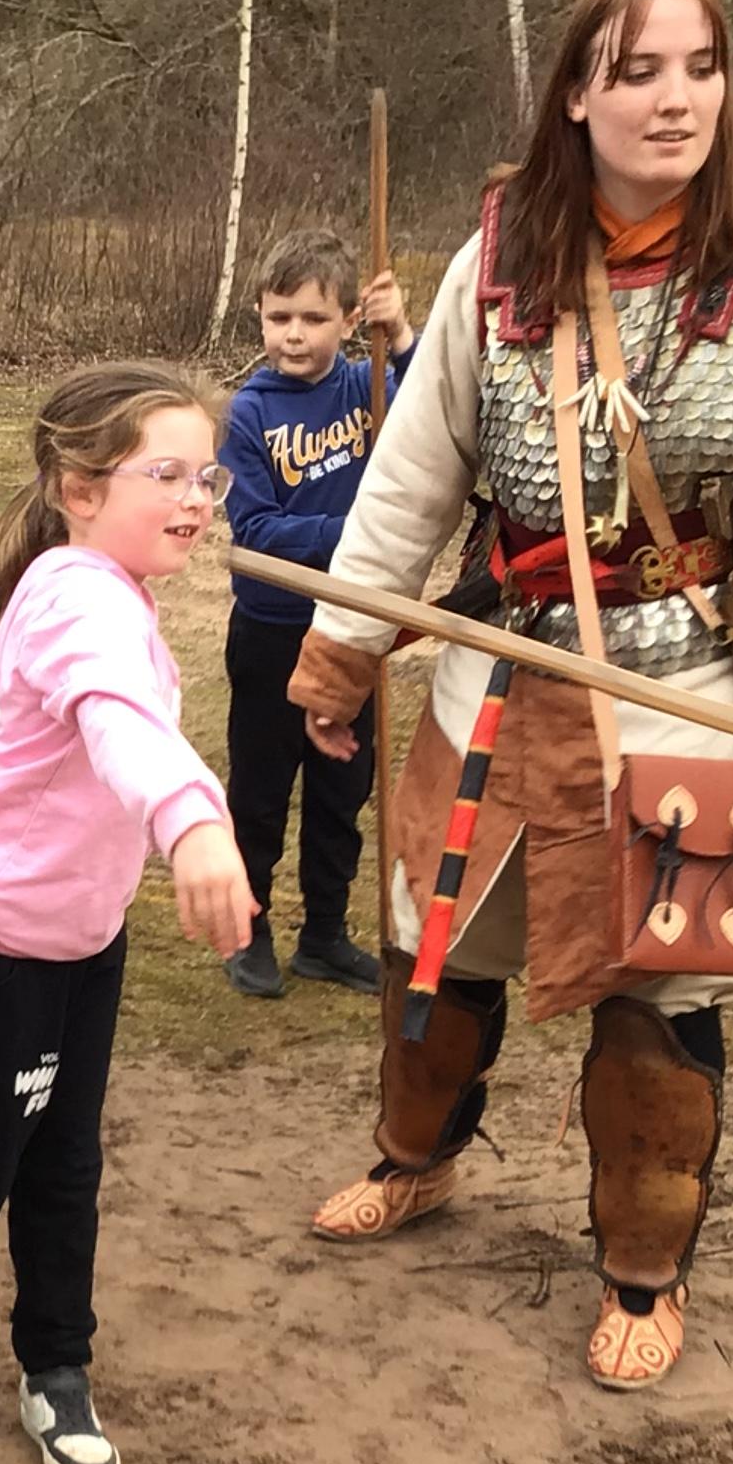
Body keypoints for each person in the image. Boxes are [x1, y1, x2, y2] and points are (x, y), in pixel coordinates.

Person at [286, 0, 733, 1392]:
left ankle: (644, 1265)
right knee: (433, 959)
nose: (674, 99)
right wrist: (346, 640)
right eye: (637, 71)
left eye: (699, 67)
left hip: (693, 696)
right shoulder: (501, 253)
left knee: (662, 1005)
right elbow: (417, 467)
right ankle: (415, 1156)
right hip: (504, 684)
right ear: (577, 94)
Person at [0, 362, 254, 1464]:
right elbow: (121, 721)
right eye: (165, 475)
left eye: (208, 479)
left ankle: (56, 1365)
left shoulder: (112, 589)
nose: (196, 500)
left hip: (82, 940)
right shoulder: (79, 598)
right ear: (80, 490)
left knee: (64, 1162)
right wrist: (193, 824)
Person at [217, 226, 416, 1000]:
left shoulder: (370, 388)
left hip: (354, 625)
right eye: (278, 318)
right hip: (272, 628)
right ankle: (249, 929)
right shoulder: (249, 413)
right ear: (260, 317)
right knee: (262, 790)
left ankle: (325, 936)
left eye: (312, 318)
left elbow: (439, 412)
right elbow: (257, 530)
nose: (293, 335)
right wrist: (361, 534)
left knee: (343, 787)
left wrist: (402, 337)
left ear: (348, 319)